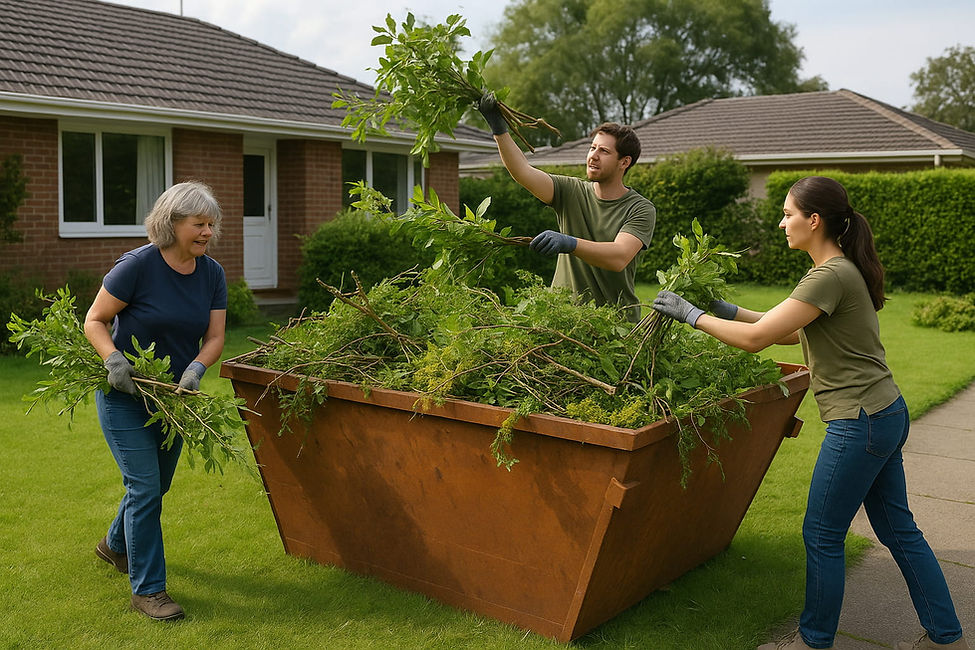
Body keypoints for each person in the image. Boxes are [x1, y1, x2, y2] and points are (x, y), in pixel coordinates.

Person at [651, 176, 968, 650]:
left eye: (787, 214)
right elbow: (783, 330)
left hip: (860, 423)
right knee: (899, 531)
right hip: (884, 412)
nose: (782, 223)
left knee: (821, 533)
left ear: (813, 220)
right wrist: (725, 308)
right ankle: (948, 637)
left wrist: (691, 315)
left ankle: (813, 640)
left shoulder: (829, 274)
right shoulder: (835, 271)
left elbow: (759, 341)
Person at [84, 181, 228, 622]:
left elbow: (216, 336)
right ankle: (149, 591)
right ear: (172, 223)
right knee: (145, 488)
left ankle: (113, 545)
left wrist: (197, 368)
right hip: (125, 395)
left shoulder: (212, 273)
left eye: (210, 224)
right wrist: (113, 360)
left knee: (156, 486)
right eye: (198, 224)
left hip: (173, 399)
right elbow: (95, 319)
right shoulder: (138, 266)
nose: (207, 232)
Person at [477, 93, 655, 322]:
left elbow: (618, 257)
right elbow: (523, 172)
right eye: (592, 148)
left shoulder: (640, 208)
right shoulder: (571, 191)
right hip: (562, 319)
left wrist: (569, 243)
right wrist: (498, 129)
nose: (593, 156)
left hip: (614, 326)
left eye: (604, 151)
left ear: (625, 162)